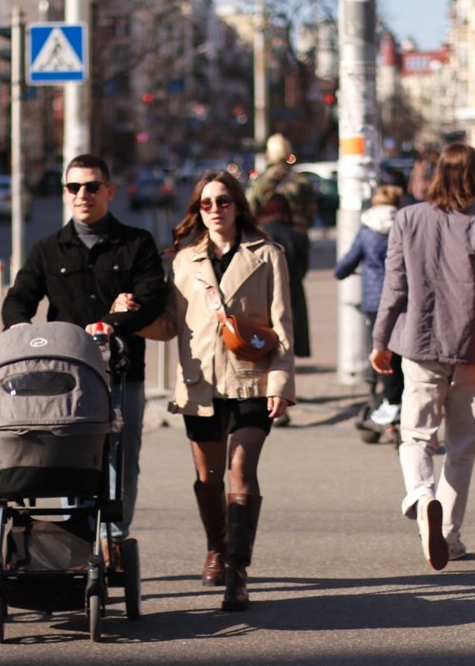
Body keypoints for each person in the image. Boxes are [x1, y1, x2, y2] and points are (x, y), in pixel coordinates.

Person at [139, 170, 294, 612]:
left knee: (240, 468)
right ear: (197, 210)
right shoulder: (185, 261)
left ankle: (238, 572)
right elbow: (170, 326)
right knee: (208, 477)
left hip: (251, 379)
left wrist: (281, 384)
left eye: (223, 201)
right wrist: (131, 316)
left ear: (237, 206)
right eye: (205, 203)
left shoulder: (267, 255)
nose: (214, 210)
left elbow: (283, 326)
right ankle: (216, 546)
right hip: (200, 383)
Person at [1, 154, 167, 567]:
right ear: (65, 193)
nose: (82, 195)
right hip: (66, 379)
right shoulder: (48, 249)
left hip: (122, 375)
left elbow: (151, 298)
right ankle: (75, 539)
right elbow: (19, 299)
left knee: (120, 462)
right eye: (74, 187)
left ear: (109, 191)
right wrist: (20, 330)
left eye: (92, 186)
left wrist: (112, 322)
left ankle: (114, 540)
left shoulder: (136, 243)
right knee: (69, 458)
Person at [370, 143, 475, 570]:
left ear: (435, 175)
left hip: (420, 342)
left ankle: (421, 493)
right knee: (462, 445)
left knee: (416, 436)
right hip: (468, 346)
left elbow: (394, 287)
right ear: (473, 179)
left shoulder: (407, 219)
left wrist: (380, 341)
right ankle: (447, 533)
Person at [334, 184, 405, 427]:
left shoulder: (367, 230)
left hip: (376, 301)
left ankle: (390, 401)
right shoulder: (404, 226)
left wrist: (340, 272)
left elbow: (348, 261)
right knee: (401, 350)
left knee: (381, 351)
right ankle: (401, 397)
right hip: (403, 299)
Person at [258, 193, 311, 359]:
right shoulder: (297, 234)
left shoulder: (259, 233)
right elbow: (304, 267)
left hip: (263, 289)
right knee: (290, 326)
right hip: (293, 286)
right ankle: (287, 356)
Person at [246, 133, 317, 233]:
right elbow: (311, 213)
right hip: (295, 235)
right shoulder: (300, 181)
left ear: (268, 154)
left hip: (267, 235)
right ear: (288, 152)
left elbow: (249, 209)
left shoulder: (260, 181)